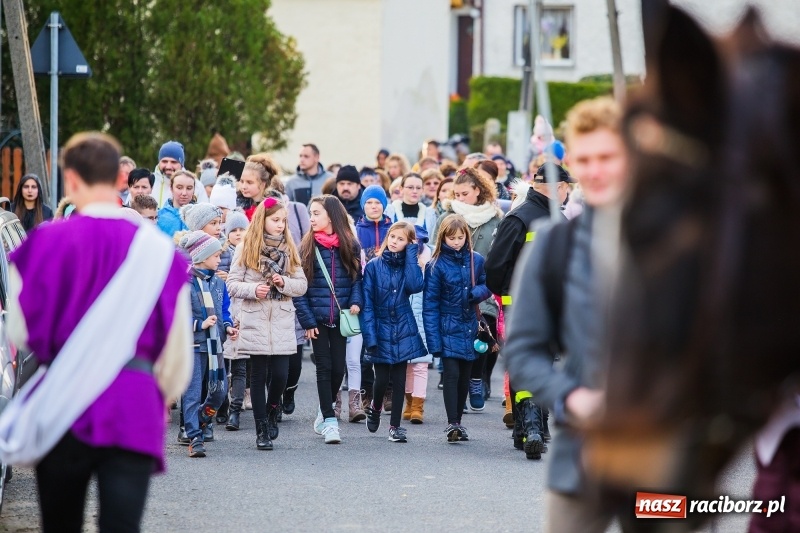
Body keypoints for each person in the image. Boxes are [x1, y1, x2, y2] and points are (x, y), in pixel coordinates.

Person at [0, 132, 192, 531]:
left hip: (63, 399)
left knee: (61, 525)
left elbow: (18, 331)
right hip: (133, 401)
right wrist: (157, 396)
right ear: (121, 180)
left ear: (70, 180)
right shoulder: (158, 251)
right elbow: (176, 354)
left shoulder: (43, 243)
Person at [504, 96, 630, 531]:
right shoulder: (552, 243)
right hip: (578, 463)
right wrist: (570, 395)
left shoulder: (677, 247)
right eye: (585, 159)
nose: (595, 170)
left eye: (607, 156)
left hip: (660, 467)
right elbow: (522, 352)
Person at [484, 163, 570, 455]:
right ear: (559, 188)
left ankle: (529, 429)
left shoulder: (555, 219)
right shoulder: (518, 218)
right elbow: (494, 266)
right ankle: (532, 427)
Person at [226, 197, 308, 450]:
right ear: (263, 220)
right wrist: (253, 289)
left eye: (283, 220)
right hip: (256, 319)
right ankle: (261, 429)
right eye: (275, 220)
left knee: (281, 376)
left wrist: (284, 283)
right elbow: (232, 283)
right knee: (259, 375)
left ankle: (274, 410)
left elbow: (301, 285)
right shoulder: (246, 247)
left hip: (282, 318)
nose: (281, 225)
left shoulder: (289, 248)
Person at [294, 195, 363, 444]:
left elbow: (357, 278)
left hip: (342, 317)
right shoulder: (306, 247)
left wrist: (356, 301)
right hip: (318, 319)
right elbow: (299, 289)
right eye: (310, 213)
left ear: (332, 216)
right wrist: (308, 321)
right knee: (324, 367)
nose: (311, 218)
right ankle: (329, 420)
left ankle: (325, 408)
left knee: (337, 369)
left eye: (316, 213)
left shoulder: (350, 245)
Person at [432, 167, 502, 410]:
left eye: (464, 193)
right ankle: (462, 382)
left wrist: (486, 286)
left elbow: (499, 253)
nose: (459, 198)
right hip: (452, 287)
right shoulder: (447, 216)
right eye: (457, 194)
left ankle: (477, 378)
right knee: (457, 337)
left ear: (478, 191)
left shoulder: (494, 217)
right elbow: (434, 249)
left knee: (484, 331)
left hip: (481, 283)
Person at [423, 214, 490, 443]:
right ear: (443, 237)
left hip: (469, 324)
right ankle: (452, 423)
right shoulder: (435, 265)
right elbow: (429, 305)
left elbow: (487, 283)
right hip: (446, 325)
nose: (457, 242)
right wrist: (434, 342)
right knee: (451, 374)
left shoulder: (476, 259)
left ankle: (458, 422)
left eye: (461, 237)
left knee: (464, 377)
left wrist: (477, 293)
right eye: (452, 238)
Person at [363, 222, 425, 442]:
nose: (394, 242)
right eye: (392, 237)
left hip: (402, 326)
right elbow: (367, 303)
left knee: (399, 379)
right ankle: (376, 406)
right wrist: (369, 336)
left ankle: (395, 427)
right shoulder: (373, 266)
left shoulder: (408, 265)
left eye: (401, 239)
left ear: (408, 243)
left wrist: (411, 255)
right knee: (381, 379)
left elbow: (416, 285)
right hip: (380, 326)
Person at [177, 231, 236, 457]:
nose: (219, 260)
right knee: (192, 394)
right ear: (202, 256)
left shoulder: (219, 283)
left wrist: (228, 325)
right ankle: (194, 436)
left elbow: (223, 311)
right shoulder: (185, 282)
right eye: (216, 256)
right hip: (192, 346)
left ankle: (200, 421)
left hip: (215, 347)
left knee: (218, 393)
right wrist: (199, 325)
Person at [354, 185, 392, 410]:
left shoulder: (392, 227)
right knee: (366, 345)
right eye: (369, 202)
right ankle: (366, 392)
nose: (374, 206)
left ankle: (388, 390)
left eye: (378, 202)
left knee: (387, 342)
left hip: (388, 292)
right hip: (366, 291)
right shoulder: (357, 229)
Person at [218, 209, 249, 427]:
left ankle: (235, 410)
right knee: (222, 366)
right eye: (234, 230)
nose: (238, 234)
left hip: (243, 314)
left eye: (242, 230)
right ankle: (220, 406)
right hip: (224, 312)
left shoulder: (250, 253)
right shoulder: (219, 253)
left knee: (240, 366)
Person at [151, 141, 208, 208]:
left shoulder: (196, 185)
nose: (168, 166)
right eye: (164, 161)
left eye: (173, 162)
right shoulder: (149, 182)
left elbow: (205, 213)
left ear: (181, 164)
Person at [156, 170, 196, 237]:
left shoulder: (201, 217)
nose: (184, 193)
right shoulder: (159, 216)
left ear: (194, 190)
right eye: (179, 188)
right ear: (171, 188)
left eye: (189, 188)